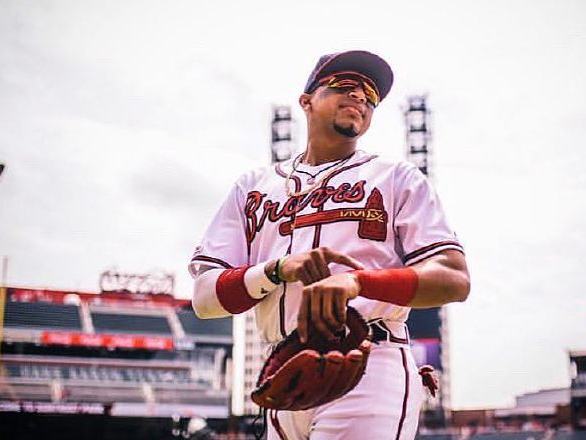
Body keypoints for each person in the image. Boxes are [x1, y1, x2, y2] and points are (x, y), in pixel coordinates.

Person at [189, 50, 470, 440]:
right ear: (306, 101)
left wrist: (360, 282)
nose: (360, 97)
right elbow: (205, 299)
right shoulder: (252, 186)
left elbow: (454, 279)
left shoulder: (397, 177)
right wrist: (275, 269)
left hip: (368, 359)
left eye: (370, 95)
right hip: (285, 370)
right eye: (345, 86)